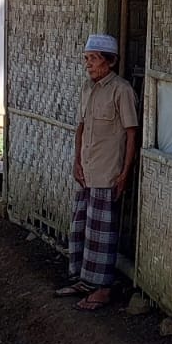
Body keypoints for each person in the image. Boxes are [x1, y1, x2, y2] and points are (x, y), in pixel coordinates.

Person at [55, 33, 138, 311]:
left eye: (93, 59)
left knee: (102, 233)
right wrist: (76, 161)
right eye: (86, 59)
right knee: (82, 228)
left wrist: (124, 173)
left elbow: (131, 133)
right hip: (87, 170)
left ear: (109, 62)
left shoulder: (121, 90)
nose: (88, 64)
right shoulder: (87, 89)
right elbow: (80, 127)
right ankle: (84, 280)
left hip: (107, 171)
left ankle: (102, 289)